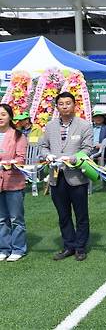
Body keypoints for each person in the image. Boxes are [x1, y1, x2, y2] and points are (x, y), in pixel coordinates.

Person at [39, 92, 93, 261]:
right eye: (61, 104)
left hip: (76, 176)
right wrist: (47, 155)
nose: (64, 106)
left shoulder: (84, 125)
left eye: (68, 103)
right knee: (63, 214)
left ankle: (80, 247)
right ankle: (68, 245)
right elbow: (43, 145)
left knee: (81, 213)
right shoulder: (50, 126)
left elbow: (88, 148)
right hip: (57, 176)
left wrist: (74, 158)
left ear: (74, 105)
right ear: (57, 107)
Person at [0, 104, 28, 261]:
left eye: (3, 114)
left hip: (13, 182)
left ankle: (18, 248)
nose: (0, 117)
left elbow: (21, 159)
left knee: (16, 218)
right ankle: (4, 248)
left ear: (10, 116)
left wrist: (8, 162)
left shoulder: (18, 136)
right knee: (1, 218)